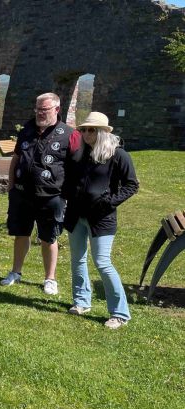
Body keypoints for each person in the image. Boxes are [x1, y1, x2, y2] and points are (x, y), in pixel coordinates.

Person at [63, 112, 138, 329]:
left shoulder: (118, 154)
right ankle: (81, 302)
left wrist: (109, 202)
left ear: (103, 132)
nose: (86, 133)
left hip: (102, 218)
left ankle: (120, 313)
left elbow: (132, 185)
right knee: (77, 259)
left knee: (103, 263)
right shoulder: (81, 154)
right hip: (77, 215)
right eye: (83, 129)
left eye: (91, 129)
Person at [1, 92, 82, 295]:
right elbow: (16, 159)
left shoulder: (69, 134)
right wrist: (11, 187)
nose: (39, 113)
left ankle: (50, 278)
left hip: (51, 196)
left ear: (56, 109)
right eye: (37, 109)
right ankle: (16, 272)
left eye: (44, 109)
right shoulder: (27, 129)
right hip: (22, 194)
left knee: (49, 237)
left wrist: (67, 196)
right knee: (20, 234)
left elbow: (75, 169)